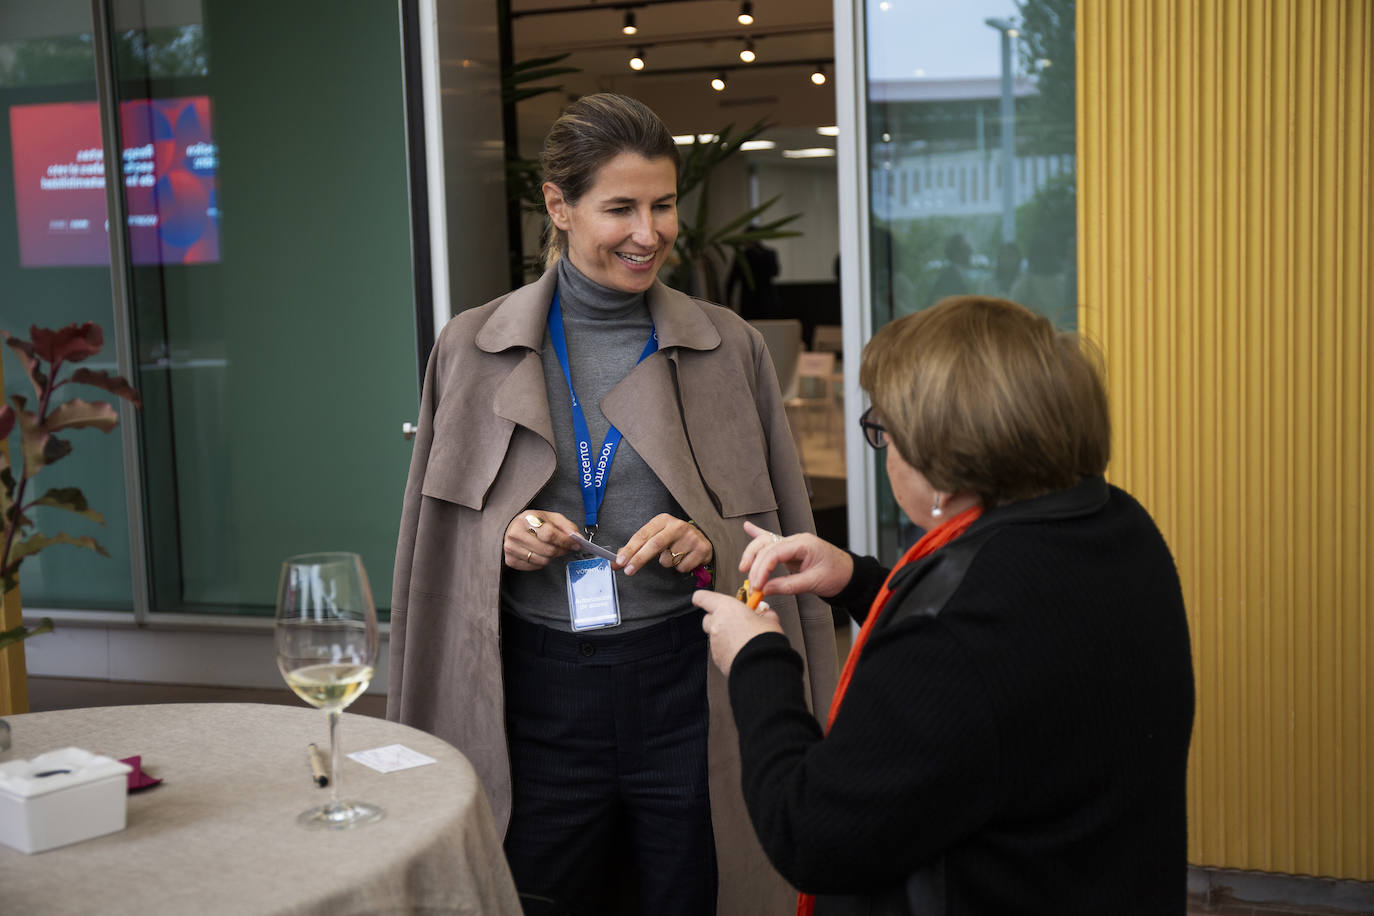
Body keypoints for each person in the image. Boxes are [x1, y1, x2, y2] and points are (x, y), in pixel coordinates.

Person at [388, 92, 838, 916]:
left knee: (698, 890)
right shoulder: (471, 347)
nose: (649, 232)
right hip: (537, 691)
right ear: (559, 207)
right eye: (620, 208)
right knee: (540, 894)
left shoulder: (727, 346)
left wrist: (702, 536)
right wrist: (505, 537)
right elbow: (439, 544)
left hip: (688, 682)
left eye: (663, 205)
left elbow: (778, 532)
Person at [694, 295, 1195, 915]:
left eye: (884, 432)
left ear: (944, 470)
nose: (885, 451)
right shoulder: (1115, 525)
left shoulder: (963, 635)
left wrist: (757, 659)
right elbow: (1011, 672)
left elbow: (813, 833)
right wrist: (857, 579)